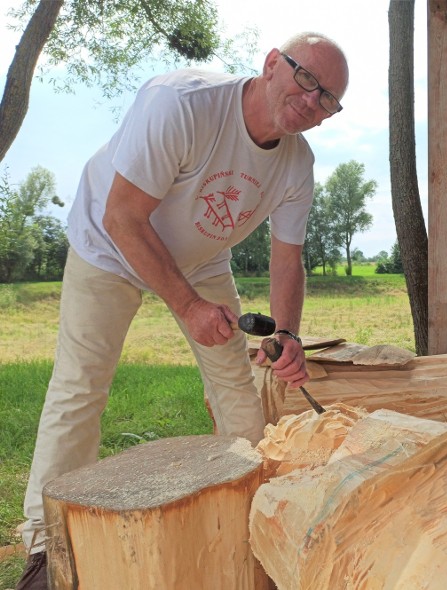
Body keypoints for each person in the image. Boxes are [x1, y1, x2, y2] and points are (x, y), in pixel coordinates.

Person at [15, 33, 349, 590]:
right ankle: (47, 548)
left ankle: (251, 522)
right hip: (109, 242)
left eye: (329, 99)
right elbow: (124, 216)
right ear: (271, 65)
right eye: (307, 79)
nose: (313, 101)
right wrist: (189, 306)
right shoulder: (182, 104)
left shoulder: (297, 164)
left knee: (237, 391)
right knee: (81, 386)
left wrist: (288, 333)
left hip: (200, 256)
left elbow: (287, 259)